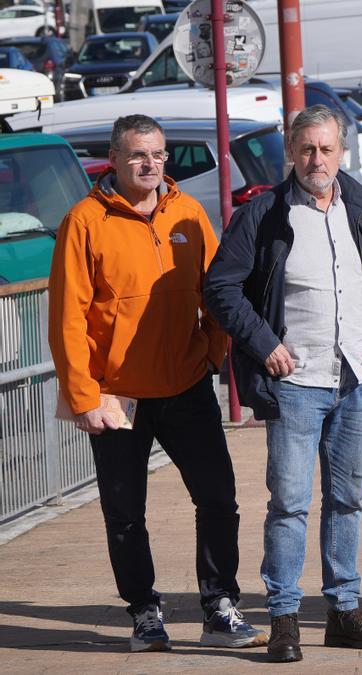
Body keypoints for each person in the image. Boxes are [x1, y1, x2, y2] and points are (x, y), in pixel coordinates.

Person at [47, 114, 265, 653]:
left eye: (158, 154)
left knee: (219, 499)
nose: (150, 164)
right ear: (114, 160)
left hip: (187, 385)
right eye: (138, 155)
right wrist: (83, 396)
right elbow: (67, 318)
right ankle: (144, 612)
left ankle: (219, 607)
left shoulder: (188, 213)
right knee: (125, 513)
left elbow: (219, 290)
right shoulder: (84, 221)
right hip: (116, 395)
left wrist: (211, 353)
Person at [203, 104, 362, 663]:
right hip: (295, 382)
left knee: (347, 499)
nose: (318, 159)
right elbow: (221, 287)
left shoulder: (361, 205)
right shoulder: (264, 213)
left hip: (355, 378)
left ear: (342, 151)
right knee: (289, 504)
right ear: (291, 151)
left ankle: (344, 611)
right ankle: (285, 618)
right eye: (307, 149)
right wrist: (264, 343)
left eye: (327, 149)